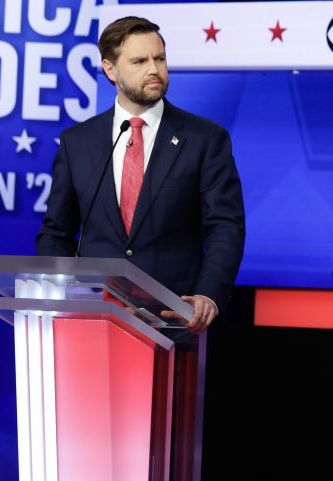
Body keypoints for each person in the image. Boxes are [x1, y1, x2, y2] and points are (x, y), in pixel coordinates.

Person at [36, 16, 245, 333]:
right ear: (110, 69)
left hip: (176, 320)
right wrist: (57, 290)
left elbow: (225, 227)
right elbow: (56, 233)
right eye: (139, 61)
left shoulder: (205, 139)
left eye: (159, 58)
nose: (154, 69)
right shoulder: (77, 142)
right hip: (91, 320)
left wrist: (207, 294)